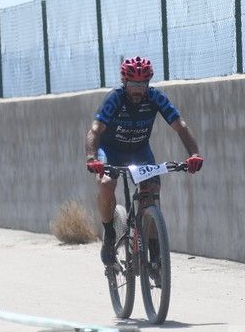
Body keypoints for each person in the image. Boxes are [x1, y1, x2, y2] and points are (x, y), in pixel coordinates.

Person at [85, 56, 204, 266]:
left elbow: (180, 125)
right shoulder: (115, 98)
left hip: (139, 151)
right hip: (110, 150)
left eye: (142, 84)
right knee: (105, 184)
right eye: (132, 84)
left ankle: (156, 255)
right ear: (124, 83)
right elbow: (95, 130)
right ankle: (110, 233)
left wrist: (193, 154)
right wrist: (92, 157)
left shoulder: (155, 97)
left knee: (152, 191)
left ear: (148, 83)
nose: (137, 89)